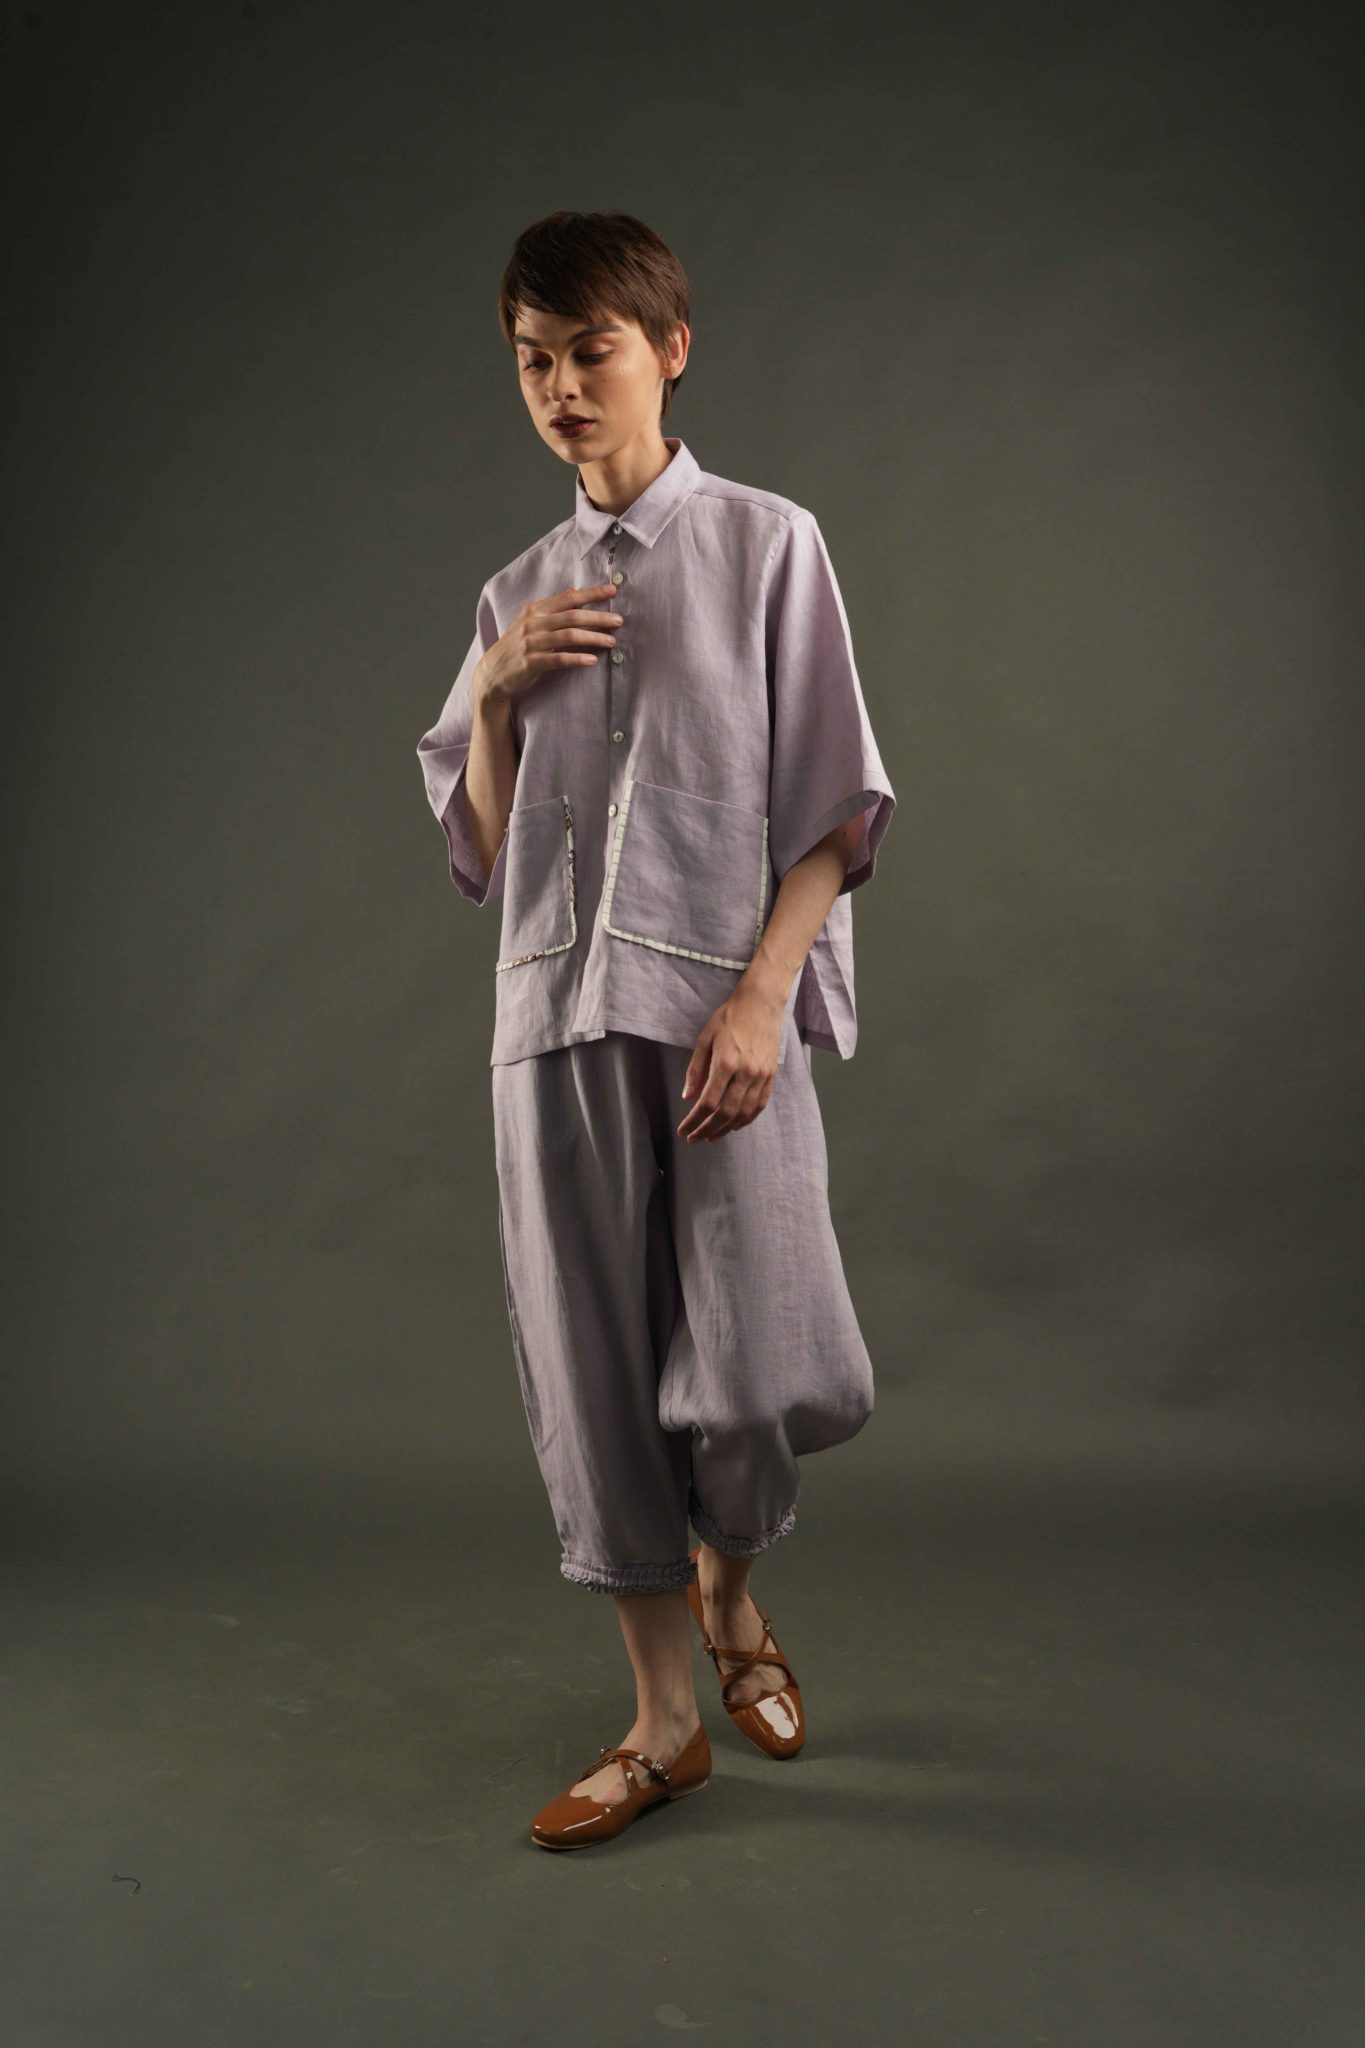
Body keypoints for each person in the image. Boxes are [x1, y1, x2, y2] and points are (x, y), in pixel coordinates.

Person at [415, 210, 895, 1850]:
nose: (559, 386)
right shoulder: (513, 593)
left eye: (589, 351)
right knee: (594, 1373)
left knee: (754, 1372)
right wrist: (493, 691)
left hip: (715, 1026)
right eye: (531, 361)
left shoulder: (767, 545)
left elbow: (833, 806)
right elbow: (484, 850)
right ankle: (661, 1720)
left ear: (668, 350)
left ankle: (732, 1594)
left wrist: (761, 997)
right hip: (552, 1023)